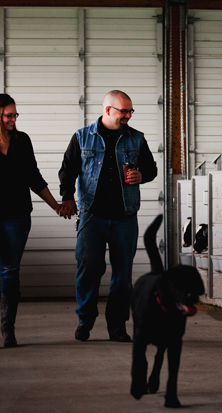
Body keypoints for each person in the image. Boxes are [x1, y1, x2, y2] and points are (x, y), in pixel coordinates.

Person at [0, 93, 64, 348]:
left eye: (15, 115)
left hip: (17, 217)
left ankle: (9, 332)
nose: (13, 119)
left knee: (10, 272)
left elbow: (34, 177)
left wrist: (56, 206)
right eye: (9, 115)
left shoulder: (22, 141)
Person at [58, 90, 158, 343]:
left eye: (130, 111)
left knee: (122, 276)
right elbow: (67, 170)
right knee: (88, 270)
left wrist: (142, 176)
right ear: (107, 110)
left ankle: (117, 327)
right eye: (123, 111)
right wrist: (67, 197)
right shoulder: (82, 137)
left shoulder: (136, 138)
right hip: (92, 216)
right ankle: (85, 320)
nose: (127, 116)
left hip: (125, 217)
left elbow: (152, 169)